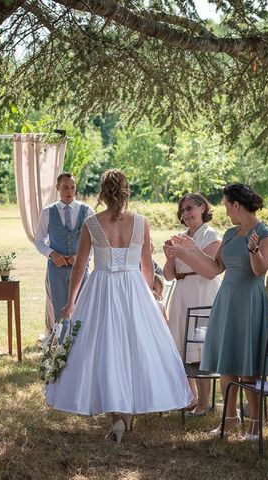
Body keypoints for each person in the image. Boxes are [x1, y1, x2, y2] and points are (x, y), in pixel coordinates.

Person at [45, 169, 193, 444]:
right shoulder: (141, 222)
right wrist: (148, 292)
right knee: (134, 346)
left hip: (101, 287)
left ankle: (118, 419)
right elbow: (147, 267)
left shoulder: (92, 222)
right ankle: (126, 414)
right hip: (133, 286)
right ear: (126, 191)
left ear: (103, 192)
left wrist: (71, 301)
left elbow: (80, 266)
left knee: (107, 348)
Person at [167, 184, 268, 440]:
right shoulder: (229, 234)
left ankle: (255, 422)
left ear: (236, 205)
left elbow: (260, 270)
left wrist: (253, 250)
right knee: (227, 362)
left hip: (250, 301)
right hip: (226, 299)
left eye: (227, 206)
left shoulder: (266, 233)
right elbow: (215, 267)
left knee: (248, 366)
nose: (226, 212)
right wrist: (188, 250)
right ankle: (229, 418)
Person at [163, 193, 222, 417]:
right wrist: (170, 257)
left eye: (190, 208)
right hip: (182, 293)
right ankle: (191, 396)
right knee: (182, 345)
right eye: (183, 210)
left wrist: (181, 252)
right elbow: (169, 275)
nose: (186, 213)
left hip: (203, 293)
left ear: (202, 208)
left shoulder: (211, 235)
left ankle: (206, 402)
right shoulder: (179, 236)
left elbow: (207, 269)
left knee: (200, 345)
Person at [35, 173, 94, 337]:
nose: (70, 191)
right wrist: (52, 254)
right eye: (66, 187)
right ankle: (62, 354)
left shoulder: (87, 211)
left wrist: (84, 257)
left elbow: (97, 242)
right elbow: (39, 241)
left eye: (73, 187)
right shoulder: (48, 212)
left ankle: (81, 351)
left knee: (82, 310)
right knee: (61, 313)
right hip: (57, 270)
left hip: (81, 270)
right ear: (58, 188)